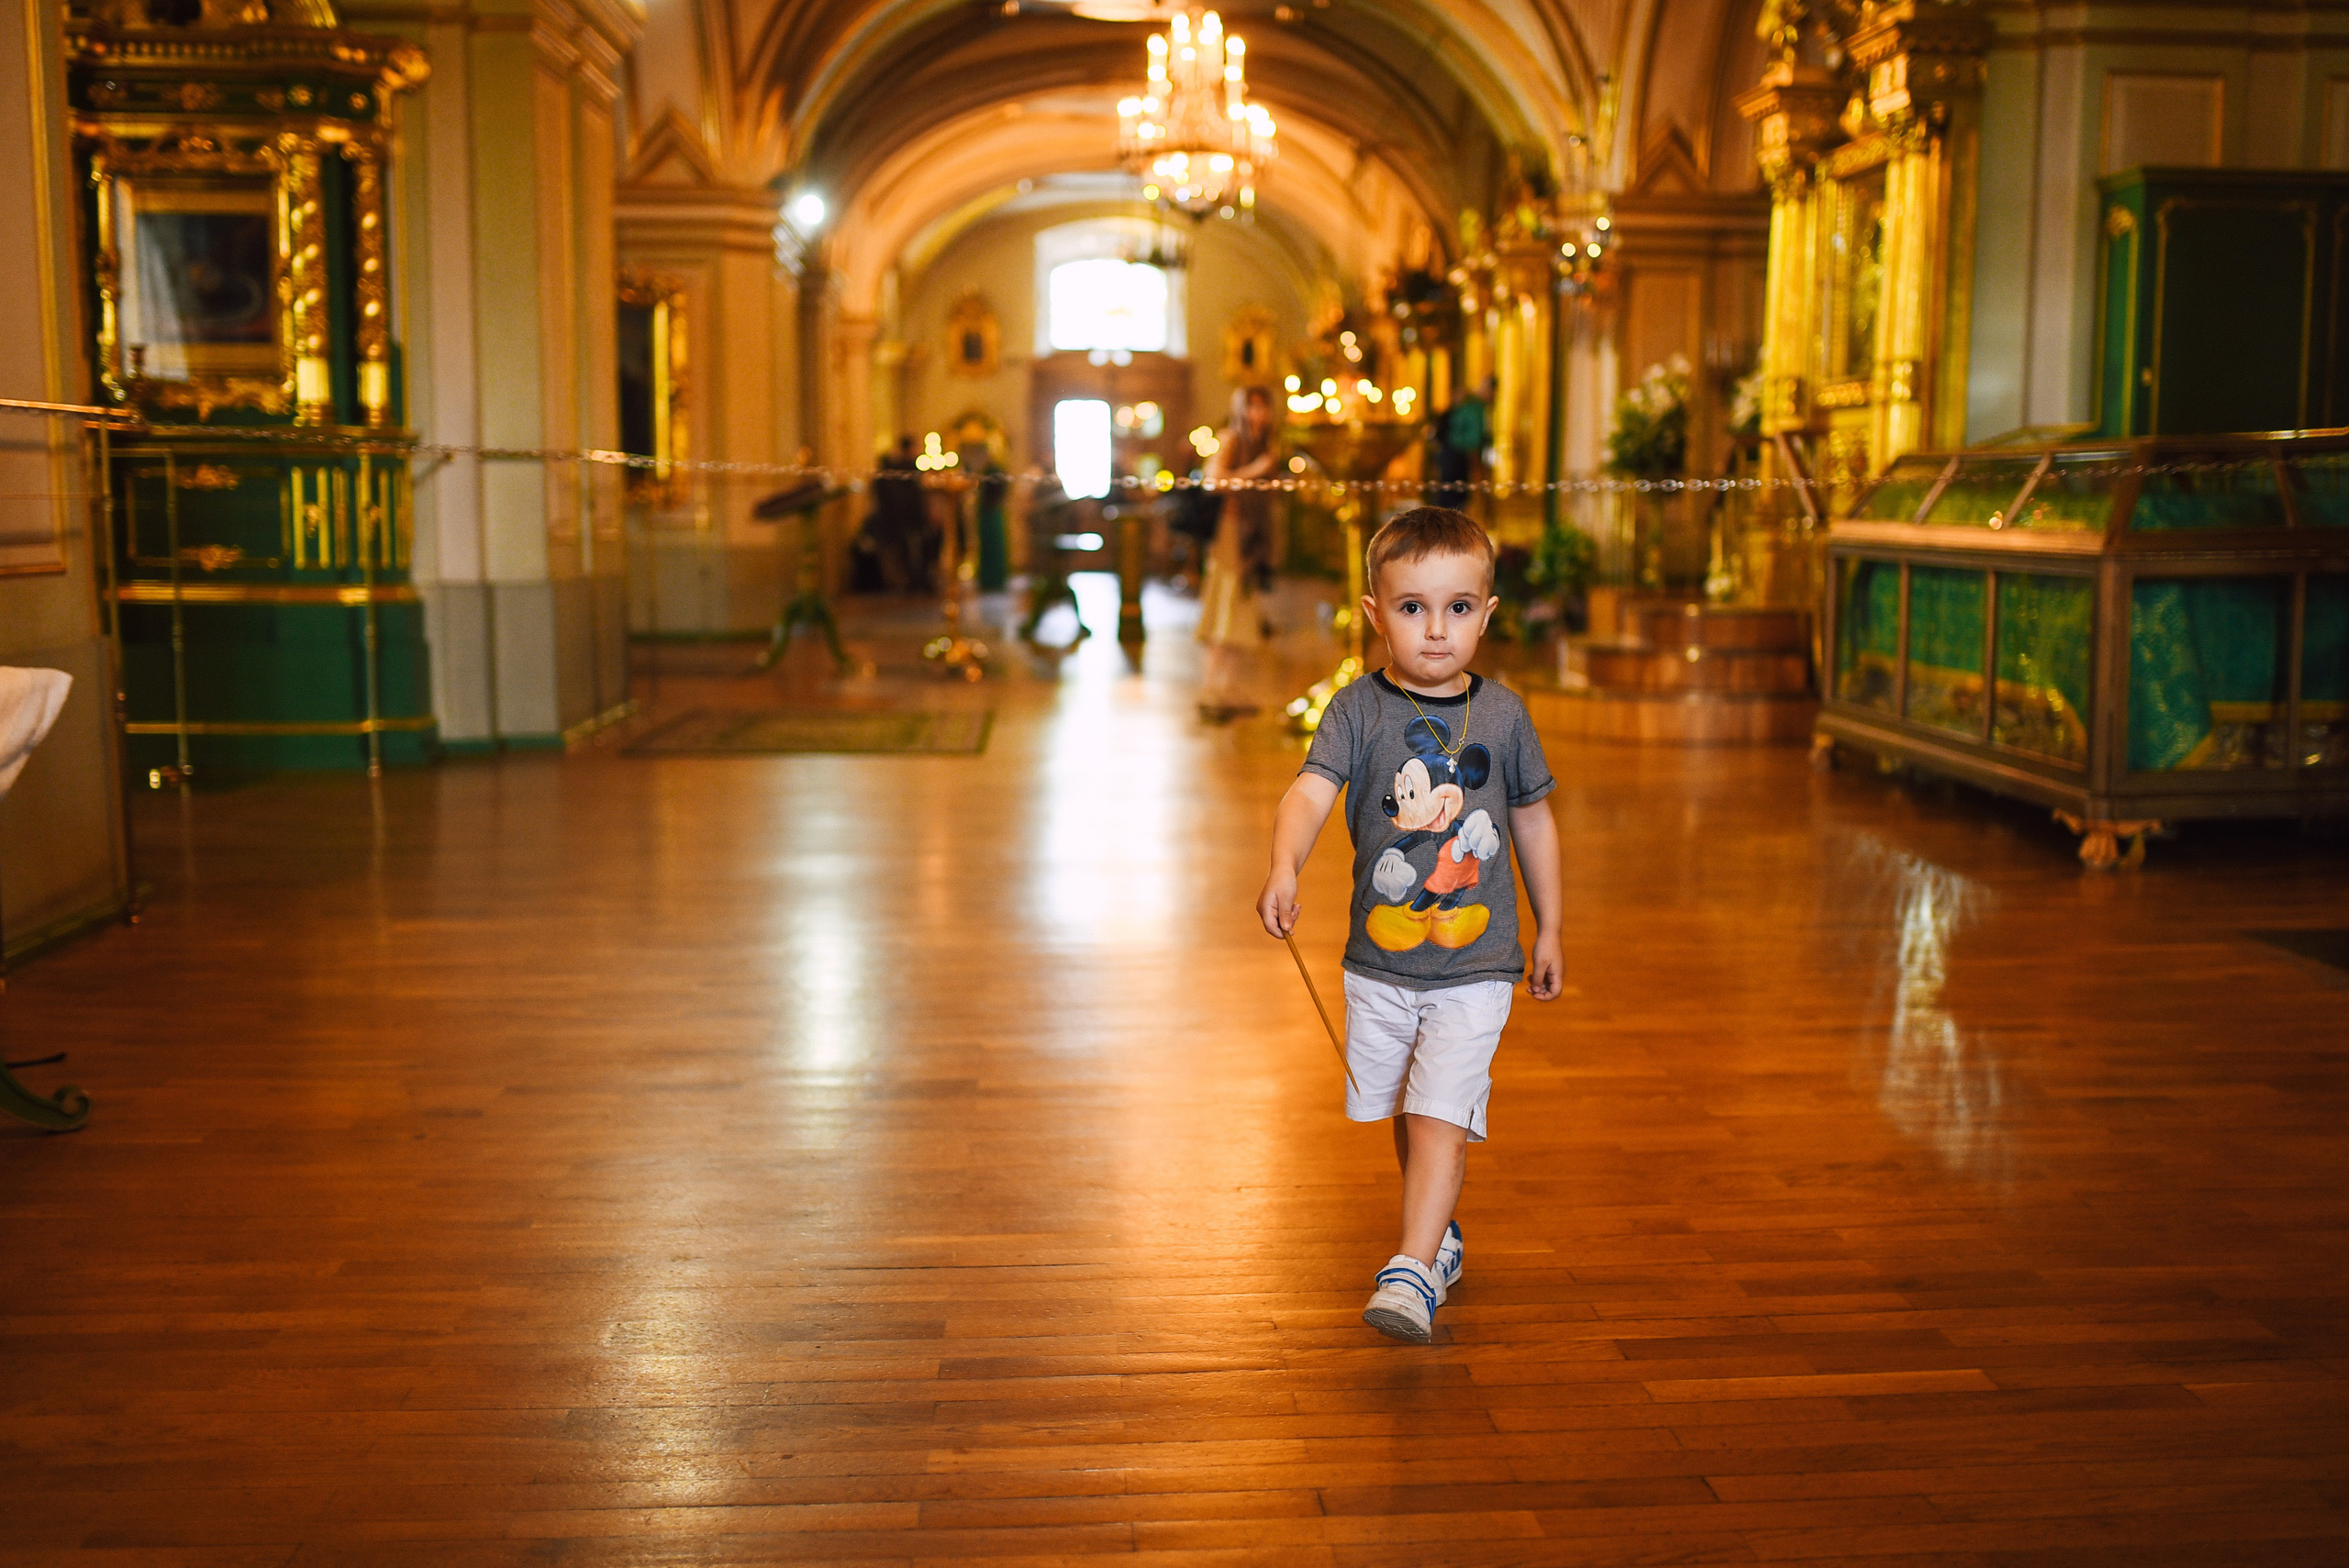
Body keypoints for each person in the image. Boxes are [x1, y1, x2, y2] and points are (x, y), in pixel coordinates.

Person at [1254, 506, 1565, 1344]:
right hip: (1381, 961)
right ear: (1373, 612)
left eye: (1459, 608)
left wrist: (1550, 927)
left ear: (1488, 613)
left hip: (1479, 963)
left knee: (1438, 1109)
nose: (1437, 631)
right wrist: (1286, 864)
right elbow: (1309, 792)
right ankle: (1438, 1239)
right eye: (1412, 608)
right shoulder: (1357, 712)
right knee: (1406, 1104)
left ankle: (1410, 1268)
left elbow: (1533, 821)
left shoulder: (1501, 717)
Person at [1195, 385, 1280, 719]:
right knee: (1222, 608)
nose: (1257, 414)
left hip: (1254, 536)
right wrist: (1255, 471)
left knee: (1241, 614)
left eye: (1263, 407)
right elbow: (1213, 479)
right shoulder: (1231, 438)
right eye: (1251, 407)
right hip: (1230, 535)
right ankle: (1209, 688)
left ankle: (1227, 687)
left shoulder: (1266, 445)